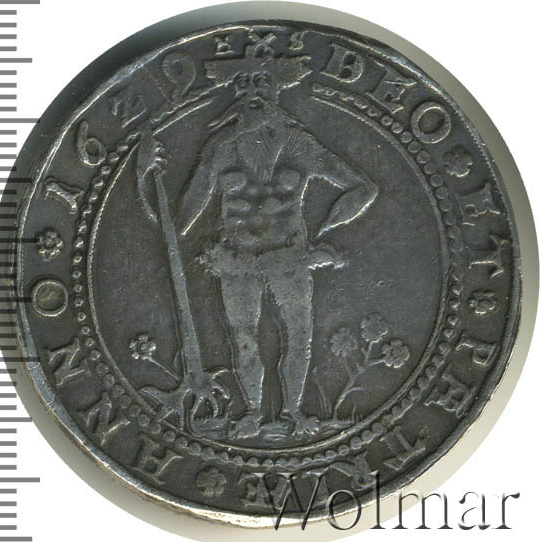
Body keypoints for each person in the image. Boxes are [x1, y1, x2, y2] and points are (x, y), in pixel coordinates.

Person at [139, 35, 378, 438]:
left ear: (276, 90)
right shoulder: (220, 149)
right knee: (244, 339)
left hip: (290, 257)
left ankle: (295, 414)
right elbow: (178, 225)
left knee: (299, 338)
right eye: (244, 84)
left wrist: (325, 231)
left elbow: (362, 188)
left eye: (262, 83)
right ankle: (251, 413)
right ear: (235, 93)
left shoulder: (300, 145)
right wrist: (145, 178)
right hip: (237, 259)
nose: (253, 93)